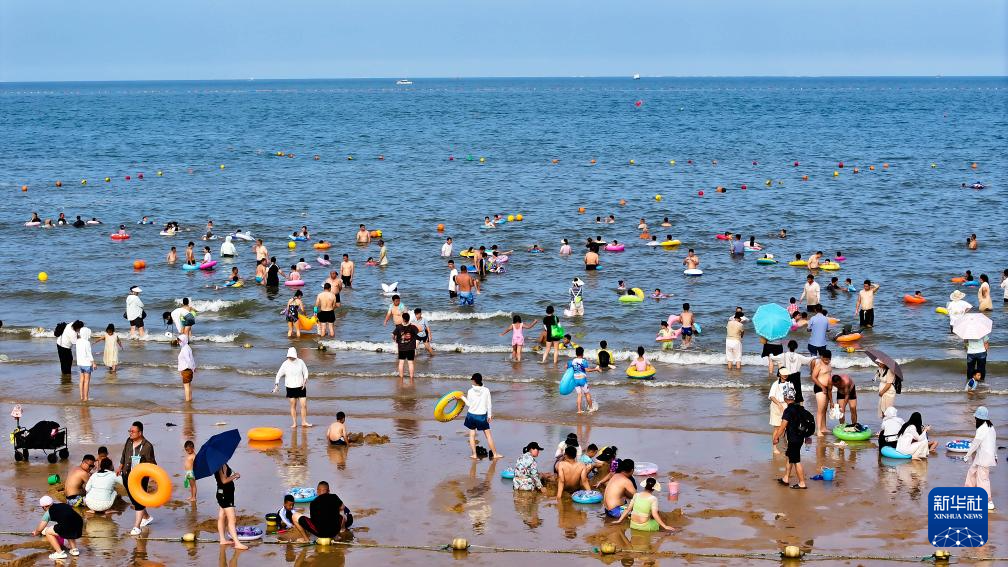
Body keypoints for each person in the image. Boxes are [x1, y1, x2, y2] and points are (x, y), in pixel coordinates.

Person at [117, 421, 156, 535]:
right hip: (126, 474)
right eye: (130, 431)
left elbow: (152, 463)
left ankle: (136, 526)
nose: (130, 433)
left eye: (133, 431)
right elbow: (124, 454)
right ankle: (147, 517)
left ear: (140, 433)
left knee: (138, 500)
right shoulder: (128, 441)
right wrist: (120, 466)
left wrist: (152, 476)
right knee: (133, 499)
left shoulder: (147, 446)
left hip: (140, 478)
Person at [773, 383, 808, 489]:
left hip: (793, 439)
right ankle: (786, 478)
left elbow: (783, 426)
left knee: (796, 461)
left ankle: (802, 483)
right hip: (800, 438)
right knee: (790, 457)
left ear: (785, 397)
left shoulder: (788, 411)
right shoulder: (800, 408)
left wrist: (776, 437)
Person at [963, 407, 996, 510]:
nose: (975, 420)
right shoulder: (991, 427)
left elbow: (975, 444)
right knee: (972, 472)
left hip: (984, 458)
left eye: (976, 418)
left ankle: (989, 501)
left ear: (978, 418)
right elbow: (994, 443)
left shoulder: (982, 429)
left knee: (983, 479)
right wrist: (995, 455)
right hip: (982, 456)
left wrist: (967, 455)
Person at [33, 496, 82, 560]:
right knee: (68, 528)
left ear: (44, 507)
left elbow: (40, 528)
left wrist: (36, 532)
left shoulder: (48, 513)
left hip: (68, 526)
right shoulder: (63, 505)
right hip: (78, 525)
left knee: (48, 531)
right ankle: (74, 550)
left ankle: (59, 553)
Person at [273, 347, 311, 428]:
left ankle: (304, 422)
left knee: (303, 405)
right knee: (293, 405)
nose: (291, 358)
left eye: (292, 356)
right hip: (290, 387)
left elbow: (306, 371)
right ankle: (294, 423)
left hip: (301, 386)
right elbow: (278, 375)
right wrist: (276, 385)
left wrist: (305, 380)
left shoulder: (300, 362)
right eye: (290, 356)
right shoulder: (285, 364)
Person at [770, 340, 813, 404]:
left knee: (786, 393)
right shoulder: (799, 356)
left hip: (786, 375)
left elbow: (773, 358)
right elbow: (808, 360)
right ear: (796, 347)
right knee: (798, 394)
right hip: (796, 376)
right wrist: (815, 357)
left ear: (788, 346)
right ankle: (799, 409)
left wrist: (770, 354)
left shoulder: (784, 355)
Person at [215, 462, 247, 549]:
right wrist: (234, 476)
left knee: (222, 516)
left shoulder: (222, 463)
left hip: (223, 494)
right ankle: (237, 543)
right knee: (232, 519)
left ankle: (222, 539)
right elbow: (224, 480)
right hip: (225, 496)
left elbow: (224, 478)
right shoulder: (219, 465)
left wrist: (232, 474)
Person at [809, 349, 833, 436]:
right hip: (819, 388)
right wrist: (822, 386)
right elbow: (813, 377)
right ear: (822, 357)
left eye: (829, 359)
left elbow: (829, 377)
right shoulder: (819, 365)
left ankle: (824, 428)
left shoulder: (829, 365)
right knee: (820, 409)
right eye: (826, 359)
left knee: (825, 409)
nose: (827, 361)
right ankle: (818, 430)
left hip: (827, 388)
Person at [570, 346, 599, 415]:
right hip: (582, 380)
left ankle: (579, 410)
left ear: (576, 354)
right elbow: (587, 370)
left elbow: (567, 366)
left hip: (575, 380)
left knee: (579, 395)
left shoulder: (573, 361)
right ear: (583, 353)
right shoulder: (584, 361)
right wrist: (595, 369)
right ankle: (591, 408)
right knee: (587, 394)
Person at [392, 312, 418, 381]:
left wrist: (394, 339)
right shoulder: (412, 327)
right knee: (410, 363)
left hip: (401, 348)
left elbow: (393, 335)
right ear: (409, 319)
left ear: (403, 319)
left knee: (401, 362)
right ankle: (411, 377)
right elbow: (419, 329)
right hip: (411, 347)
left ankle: (401, 378)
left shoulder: (399, 327)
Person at [769, 371, 789, 455]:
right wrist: (779, 404)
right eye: (783, 373)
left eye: (786, 373)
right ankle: (774, 447)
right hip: (776, 406)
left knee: (787, 427)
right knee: (777, 428)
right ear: (779, 374)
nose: (785, 375)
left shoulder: (789, 384)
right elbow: (771, 396)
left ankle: (788, 446)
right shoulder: (775, 384)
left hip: (786, 405)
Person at [74, 324, 95, 401]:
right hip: (86, 364)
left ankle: (81, 397)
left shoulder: (78, 341)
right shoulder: (87, 342)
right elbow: (89, 354)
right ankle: (86, 398)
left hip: (80, 363)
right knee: (86, 381)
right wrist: (93, 363)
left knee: (81, 380)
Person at [178, 335, 195, 402]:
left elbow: (188, 360)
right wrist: (193, 367)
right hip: (189, 369)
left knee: (186, 387)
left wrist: (192, 368)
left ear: (184, 340)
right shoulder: (188, 347)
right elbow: (192, 359)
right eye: (178, 340)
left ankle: (187, 401)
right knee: (189, 386)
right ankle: (190, 399)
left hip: (186, 369)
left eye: (180, 340)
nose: (179, 342)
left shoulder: (185, 349)